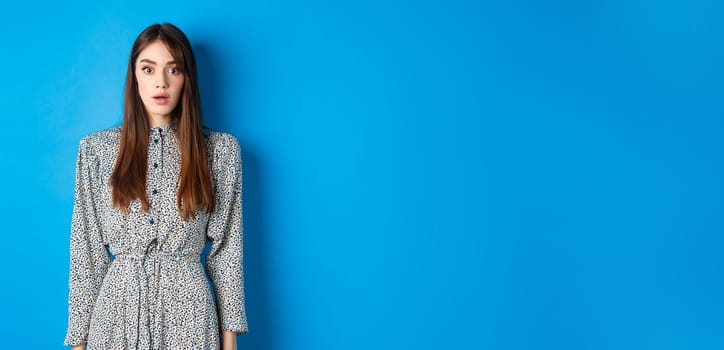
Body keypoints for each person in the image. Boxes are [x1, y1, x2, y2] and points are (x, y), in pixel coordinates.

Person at [63, 23, 249, 350]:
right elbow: (86, 253)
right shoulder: (96, 151)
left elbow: (227, 254)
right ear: (134, 76)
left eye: (173, 69)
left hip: (190, 319)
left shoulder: (219, 151)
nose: (160, 82)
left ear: (186, 78)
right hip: (115, 319)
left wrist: (229, 341)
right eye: (148, 69)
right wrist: (79, 342)